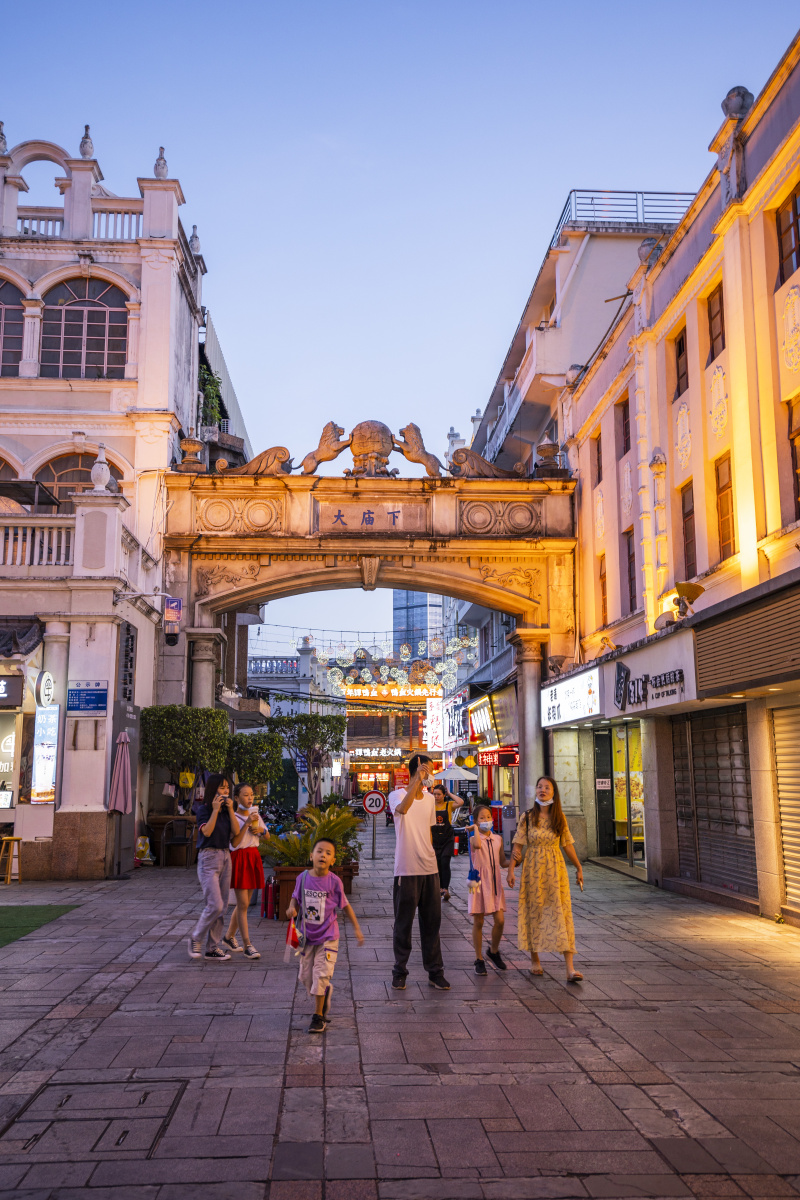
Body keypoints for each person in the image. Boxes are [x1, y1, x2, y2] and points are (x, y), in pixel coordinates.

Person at [507, 776, 584, 983]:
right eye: (539, 786)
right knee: (535, 912)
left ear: (553, 792)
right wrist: (511, 870)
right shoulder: (527, 817)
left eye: (547, 787)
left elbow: (567, 844)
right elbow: (518, 845)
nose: (542, 790)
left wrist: (578, 866)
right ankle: (535, 961)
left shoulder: (559, 817)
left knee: (561, 912)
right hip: (533, 869)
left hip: (555, 869)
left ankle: (570, 968)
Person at [286, 836, 364, 1033]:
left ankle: (318, 1016)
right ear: (311, 855)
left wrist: (356, 929)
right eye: (320, 851)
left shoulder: (334, 882)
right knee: (306, 977)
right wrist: (291, 909)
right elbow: (295, 899)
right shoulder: (302, 878)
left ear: (333, 860)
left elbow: (345, 906)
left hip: (328, 937)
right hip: (306, 937)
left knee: (320, 975)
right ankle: (326, 991)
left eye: (328, 853)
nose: (323, 855)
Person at [387, 754, 450, 992]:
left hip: (429, 869)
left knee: (432, 923)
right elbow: (402, 810)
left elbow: (429, 832)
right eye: (428, 771)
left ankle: (435, 972)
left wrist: (435, 861)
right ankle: (399, 971)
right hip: (406, 868)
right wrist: (416, 781)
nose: (430, 776)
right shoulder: (397, 795)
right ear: (419, 770)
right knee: (403, 923)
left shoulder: (430, 800)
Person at [188, 773, 240, 961]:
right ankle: (196, 937)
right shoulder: (203, 809)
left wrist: (231, 810)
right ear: (213, 790)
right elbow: (207, 831)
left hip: (226, 856)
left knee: (223, 906)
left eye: (227, 788)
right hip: (208, 857)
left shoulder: (227, 811)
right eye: (222, 788)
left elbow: (235, 832)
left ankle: (212, 947)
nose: (225, 791)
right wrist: (215, 810)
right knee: (215, 904)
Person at [223, 783, 268, 959]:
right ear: (236, 798)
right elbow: (234, 843)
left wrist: (261, 830)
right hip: (240, 858)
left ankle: (228, 937)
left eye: (251, 795)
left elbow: (267, 835)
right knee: (242, 905)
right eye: (245, 795)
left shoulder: (255, 815)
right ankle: (248, 944)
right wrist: (247, 823)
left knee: (245, 905)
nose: (250, 798)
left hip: (253, 857)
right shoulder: (233, 817)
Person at [467, 802, 510, 975]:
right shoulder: (473, 837)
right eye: (482, 818)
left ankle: (493, 951)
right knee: (479, 921)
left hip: (494, 883)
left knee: (499, 920)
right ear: (476, 821)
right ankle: (479, 958)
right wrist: (475, 829)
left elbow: (503, 862)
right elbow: (477, 846)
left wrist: (516, 860)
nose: (486, 820)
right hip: (477, 883)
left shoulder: (497, 839)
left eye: (488, 817)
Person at [431, 782, 461, 900]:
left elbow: (461, 802)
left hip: (447, 839)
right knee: (437, 864)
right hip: (434, 838)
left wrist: (450, 793)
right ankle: (439, 888)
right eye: (434, 794)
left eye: (439, 794)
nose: (436, 796)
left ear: (444, 795)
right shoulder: (430, 806)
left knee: (445, 862)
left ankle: (445, 889)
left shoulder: (449, 805)